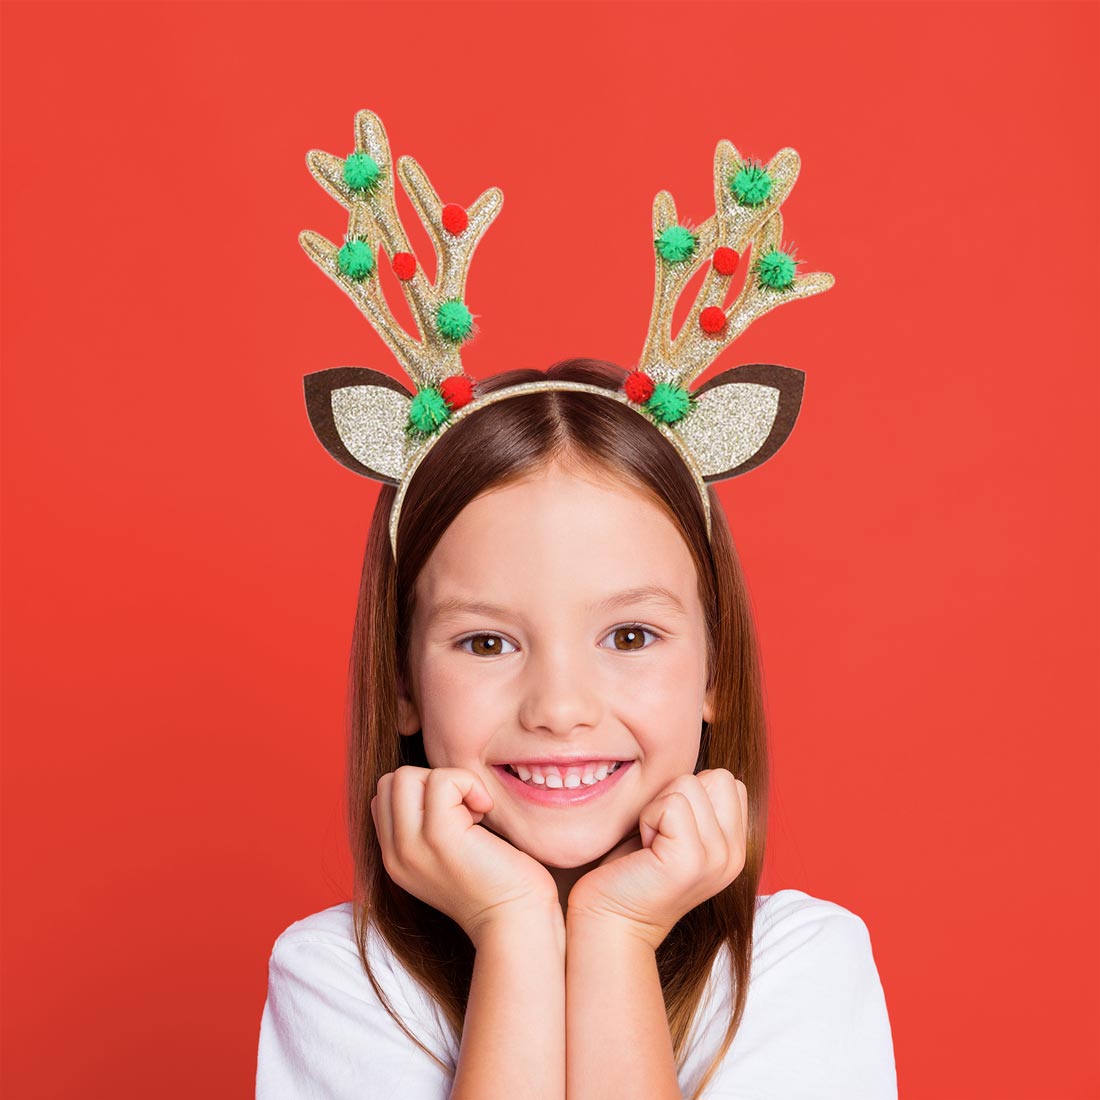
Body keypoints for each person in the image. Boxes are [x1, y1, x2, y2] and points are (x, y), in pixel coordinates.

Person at [256, 112, 897, 1100]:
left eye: (629, 634)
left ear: (714, 670)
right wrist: (514, 925)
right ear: (401, 680)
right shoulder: (346, 978)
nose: (559, 704)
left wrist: (614, 930)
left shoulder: (797, 968)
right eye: (483, 640)